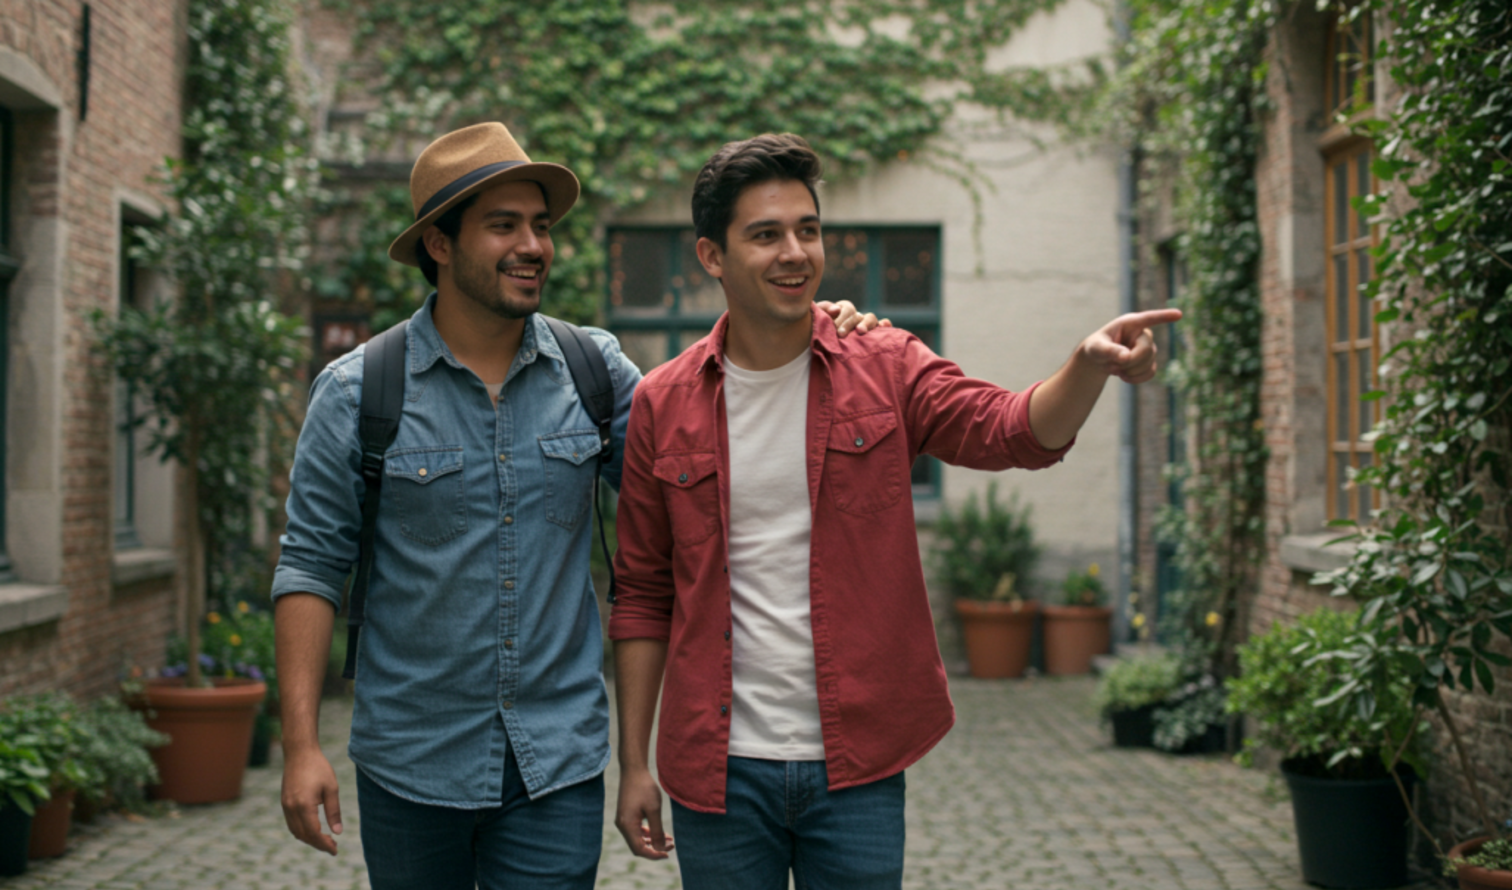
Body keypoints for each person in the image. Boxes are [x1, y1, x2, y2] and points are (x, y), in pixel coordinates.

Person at [270, 123, 881, 890]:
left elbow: (707, 477)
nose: (533, 245)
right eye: (503, 226)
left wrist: (811, 334)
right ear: (440, 244)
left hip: (555, 764)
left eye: (541, 225)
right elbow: (311, 566)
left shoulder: (594, 374)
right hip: (410, 762)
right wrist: (301, 745)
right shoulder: (361, 392)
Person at [608, 133, 1181, 890]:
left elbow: (1009, 429)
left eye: (807, 231)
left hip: (858, 760)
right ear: (712, 256)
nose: (795, 253)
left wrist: (1086, 365)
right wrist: (635, 765)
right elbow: (643, 593)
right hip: (719, 767)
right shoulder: (662, 400)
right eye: (766, 235)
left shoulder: (884, 363)